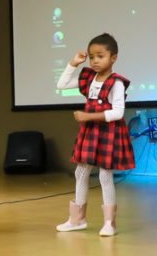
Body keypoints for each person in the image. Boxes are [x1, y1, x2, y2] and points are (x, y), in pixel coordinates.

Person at [55, 33, 135, 236]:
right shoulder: (89, 77)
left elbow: (118, 112)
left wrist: (87, 117)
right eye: (92, 57)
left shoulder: (116, 82)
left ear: (113, 57)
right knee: (80, 172)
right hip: (91, 132)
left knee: (105, 175)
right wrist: (73, 63)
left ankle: (109, 223)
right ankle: (77, 219)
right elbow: (61, 85)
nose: (95, 61)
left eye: (100, 56)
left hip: (107, 131)